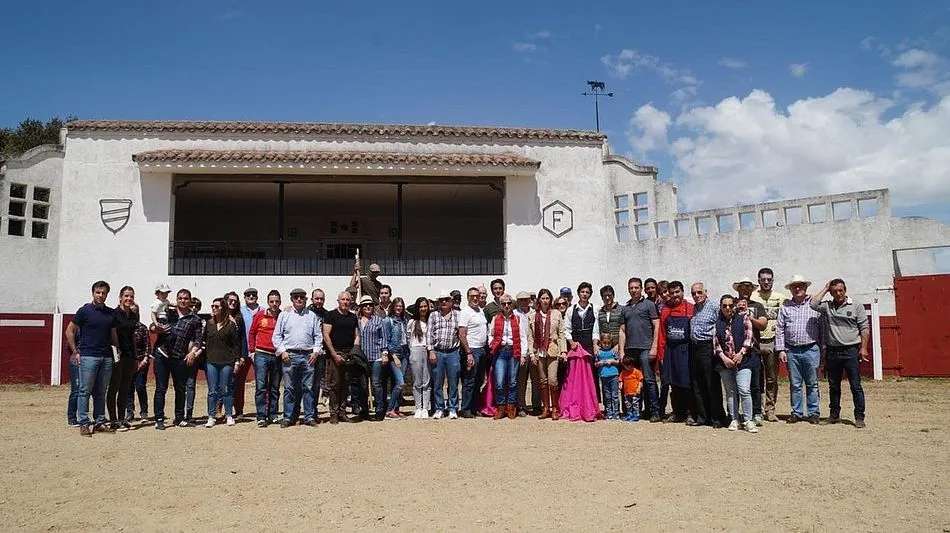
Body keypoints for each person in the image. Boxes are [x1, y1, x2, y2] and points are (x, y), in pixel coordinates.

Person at [810, 279, 869, 428]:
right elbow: (813, 304)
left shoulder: (856, 306)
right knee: (834, 385)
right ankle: (834, 415)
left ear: (845, 290)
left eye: (841, 290)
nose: (838, 294)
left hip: (850, 351)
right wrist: (825, 288)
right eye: (835, 291)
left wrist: (863, 348)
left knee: (855, 386)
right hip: (832, 351)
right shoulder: (827, 306)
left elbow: (864, 328)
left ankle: (859, 417)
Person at [66, 280, 117, 436]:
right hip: (88, 356)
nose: (101, 295)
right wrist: (75, 351)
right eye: (98, 292)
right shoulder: (84, 311)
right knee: (84, 391)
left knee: (101, 391)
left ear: (107, 295)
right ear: (93, 293)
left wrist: (118, 350)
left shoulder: (110, 313)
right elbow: (69, 331)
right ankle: (83, 422)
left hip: (106, 356)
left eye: (103, 293)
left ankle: (100, 422)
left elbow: (113, 334)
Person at [151, 289, 204, 430]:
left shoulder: (195, 320)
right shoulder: (168, 312)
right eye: (180, 298)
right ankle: (159, 419)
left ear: (190, 300)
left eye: (186, 298)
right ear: (177, 299)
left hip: (180, 357)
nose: (183, 301)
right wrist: (156, 329)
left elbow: (198, 340)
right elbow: (152, 326)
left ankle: (179, 418)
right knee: (161, 388)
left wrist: (193, 352)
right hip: (162, 354)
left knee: (180, 389)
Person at [776, 274, 824, 424]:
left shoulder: (814, 305)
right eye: (794, 286)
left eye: (800, 285)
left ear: (806, 287)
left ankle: (813, 412)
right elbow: (780, 329)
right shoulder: (785, 307)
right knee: (795, 384)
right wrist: (781, 349)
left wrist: (822, 348)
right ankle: (796, 412)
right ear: (790, 289)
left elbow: (822, 327)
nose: (798, 288)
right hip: (792, 350)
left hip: (811, 348)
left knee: (812, 383)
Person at [273, 288, 324, 427]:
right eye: (296, 297)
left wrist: (315, 352)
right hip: (290, 355)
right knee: (289, 388)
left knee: (308, 387)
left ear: (306, 299)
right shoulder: (284, 315)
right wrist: (282, 351)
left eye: (302, 297)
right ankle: (288, 417)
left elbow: (318, 336)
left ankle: (308, 416)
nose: (299, 299)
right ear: (292, 299)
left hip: (308, 356)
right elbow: (277, 336)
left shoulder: (312, 316)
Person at [713, 294, 759, 433]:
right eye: (724, 306)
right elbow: (715, 343)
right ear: (720, 307)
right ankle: (734, 418)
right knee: (730, 392)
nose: (727, 308)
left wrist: (741, 353)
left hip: (743, 361)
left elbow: (749, 337)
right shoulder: (717, 322)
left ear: (734, 306)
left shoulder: (743, 318)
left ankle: (748, 420)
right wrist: (724, 358)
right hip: (725, 362)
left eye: (730, 305)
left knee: (744, 390)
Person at [618, 277, 661, 422]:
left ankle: (654, 411)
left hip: (645, 348)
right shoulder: (626, 308)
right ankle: (636, 411)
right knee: (632, 381)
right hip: (630, 350)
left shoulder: (649, 305)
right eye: (631, 288)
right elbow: (622, 330)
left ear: (641, 289)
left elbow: (657, 326)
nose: (634, 290)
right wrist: (622, 351)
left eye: (636, 287)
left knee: (649, 380)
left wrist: (654, 346)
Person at [196, 297, 241, 427]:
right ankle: (211, 416)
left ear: (223, 308)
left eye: (217, 306)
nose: (214, 308)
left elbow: (235, 345)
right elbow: (203, 342)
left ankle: (228, 415)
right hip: (211, 361)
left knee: (226, 389)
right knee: (212, 390)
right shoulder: (209, 324)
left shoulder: (231, 325)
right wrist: (197, 352)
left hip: (227, 362)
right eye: (212, 306)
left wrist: (237, 361)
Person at [751, 267, 788, 422]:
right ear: (758, 281)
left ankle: (770, 409)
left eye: (769, 279)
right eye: (763, 279)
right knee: (755, 378)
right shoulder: (752, 297)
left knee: (771, 379)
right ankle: (756, 409)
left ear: (773, 280)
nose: (766, 282)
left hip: (773, 341)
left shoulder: (781, 298)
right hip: (755, 342)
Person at [656, 280, 694, 424]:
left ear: (682, 292)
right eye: (672, 293)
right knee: (673, 383)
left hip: (686, 350)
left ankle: (691, 412)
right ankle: (678, 412)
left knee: (687, 383)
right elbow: (662, 335)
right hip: (671, 350)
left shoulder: (690, 308)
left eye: (677, 292)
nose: (675, 295)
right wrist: (661, 355)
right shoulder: (666, 310)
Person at [688, 282, 725, 428]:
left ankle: (717, 417)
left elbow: (721, 325)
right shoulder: (695, 308)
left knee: (711, 383)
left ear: (705, 292)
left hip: (708, 347)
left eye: (699, 292)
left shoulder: (714, 307)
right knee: (698, 383)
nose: (696, 295)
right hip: (695, 348)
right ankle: (703, 416)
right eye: (694, 293)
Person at [734, 278, 768, 425]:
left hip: (753, 350)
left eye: (748, 288)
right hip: (735, 350)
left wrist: (749, 316)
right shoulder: (732, 305)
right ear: (738, 290)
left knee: (755, 384)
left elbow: (763, 324)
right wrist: (736, 311)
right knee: (737, 386)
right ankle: (738, 413)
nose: (745, 290)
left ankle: (757, 412)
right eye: (742, 287)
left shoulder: (757, 306)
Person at [487, 293, 527, 420]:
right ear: (500, 305)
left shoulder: (517, 318)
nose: (506, 306)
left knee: (513, 382)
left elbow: (522, 337)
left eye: (509, 303)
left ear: (512, 304)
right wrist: (491, 343)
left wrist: (523, 354)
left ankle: (511, 408)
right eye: (503, 303)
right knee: (499, 382)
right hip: (500, 352)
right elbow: (491, 334)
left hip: (513, 351)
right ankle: (500, 407)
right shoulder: (496, 318)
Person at [323, 291, 360, 424]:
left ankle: (342, 412)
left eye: (347, 300)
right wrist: (334, 354)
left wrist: (354, 352)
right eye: (343, 299)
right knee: (334, 385)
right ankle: (333, 413)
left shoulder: (353, 317)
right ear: (338, 301)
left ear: (351, 301)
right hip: (335, 353)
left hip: (348, 353)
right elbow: (326, 335)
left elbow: (357, 335)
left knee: (345, 384)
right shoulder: (331, 315)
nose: (345, 302)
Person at [530, 288, 568, 420]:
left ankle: (555, 408)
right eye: (543, 298)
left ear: (550, 300)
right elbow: (530, 336)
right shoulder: (533, 316)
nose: (545, 301)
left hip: (553, 348)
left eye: (547, 298)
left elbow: (562, 334)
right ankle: (546, 408)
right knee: (542, 381)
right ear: (539, 300)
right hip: (539, 349)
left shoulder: (556, 314)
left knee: (552, 380)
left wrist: (563, 351)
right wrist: (531, 354)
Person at [108, 286, 139, 431]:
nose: (129, 299)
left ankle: (122, 419)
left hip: (129, 355)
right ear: (120, 297)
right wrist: (116, 351)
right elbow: (111, 334)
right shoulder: (114, 314)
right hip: (116, 355)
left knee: (125, 389)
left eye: (131, 296)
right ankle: (113, 420)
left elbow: (133, 335)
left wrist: (136, 355)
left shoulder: (133, 315)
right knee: (114, 388)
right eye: (126, 296)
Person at [249, 290, 282, 427]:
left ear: (280, 302)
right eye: (271, 301)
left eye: (276, 301)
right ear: (268, 302)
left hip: (277, 355)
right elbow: (252, 333)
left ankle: (273, 414)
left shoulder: (283, 316)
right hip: (261, 354)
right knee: (261, 387)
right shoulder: (259, 315)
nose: (274, 304)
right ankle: (261, 415)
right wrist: (252, 351)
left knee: (275, 387)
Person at [427, 291, 461, 419]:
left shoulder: (458, 315)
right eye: (442, 300)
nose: (444, 302)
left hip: (453, 352)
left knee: (453, 382)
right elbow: (429, 334)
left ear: (451, 301)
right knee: (437, 382)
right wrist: (431, 351)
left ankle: (452, 408)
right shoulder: (433, 316)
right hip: (438, 352)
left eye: (447, 299)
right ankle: (439, 408)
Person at [356, 295, 391, 421]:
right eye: (365, 305)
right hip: (361, 358)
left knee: (377, 384)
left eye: (370, 305)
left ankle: (380, 410)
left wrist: (385, 353)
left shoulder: (378, 320)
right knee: (363, 385)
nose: (368, 307)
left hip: (376, 356)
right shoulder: (357, 321)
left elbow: (383, 338)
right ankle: (364, 410)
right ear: (361, 307)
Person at [458, 287, 488, 418]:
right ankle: (466, 408)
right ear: (468, 297)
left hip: (482, 349)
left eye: (477, 295)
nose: (475, 298)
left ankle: (475, 407)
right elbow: (462, 334)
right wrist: (468, 352)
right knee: (469, 380)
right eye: (472, 296)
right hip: (472, 350)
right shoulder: (465, 312)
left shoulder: (480, 311)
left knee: (479, 380)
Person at [514, 291, 540, 416]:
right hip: (521, 351)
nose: (524, 302)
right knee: (521, 380)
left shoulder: (535, 314)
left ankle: (536, 405)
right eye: (521, 300)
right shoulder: (514, 314)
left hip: (534, 350)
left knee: (536, 380)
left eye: (526, 299)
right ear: (518, 301)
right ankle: (521, 406)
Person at [225, 292, 251, 419]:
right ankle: (220, 410)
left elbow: (242, 339)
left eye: (235, 301)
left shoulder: (239, 318)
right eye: (230, 300)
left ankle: (238, 410)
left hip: (236, 356)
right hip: (221, 355)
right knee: (222, 384)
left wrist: (242, 356)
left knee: (237, 384)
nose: (233, 302)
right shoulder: (218, 315)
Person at [384, 297, 409, 419]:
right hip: (395, 354)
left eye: (401, 306)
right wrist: (394, 356)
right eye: (397, 306)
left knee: (398, 383)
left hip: (405, 352)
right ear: (393, 307)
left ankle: (396, 409)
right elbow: (386, 340)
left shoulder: (404, 321)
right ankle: (390, 410)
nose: (399, 308)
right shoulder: (388, 321)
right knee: (400, 382)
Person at [407, 297, 432, 419]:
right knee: (417, 381)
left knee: (426, 380)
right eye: (421, 307)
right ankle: (418, 407)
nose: (423, 309)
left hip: (428, 350)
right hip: (416, 350)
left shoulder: (431, 321)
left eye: (425, 306)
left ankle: (425, 408)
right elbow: (408, 339)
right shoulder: (412, 322)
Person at [125, 314, 151, 423]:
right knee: (128, 388)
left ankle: (144, 412)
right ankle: (130, 412)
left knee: (140, 386)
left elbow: (147, 345)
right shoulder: (125, 327)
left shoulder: (142, 328)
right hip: (128, 362)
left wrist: (145, 359)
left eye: (135, 311)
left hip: (141, 362)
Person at [594, 331, 620, 420]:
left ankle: (616, 412)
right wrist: (599, 363)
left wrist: (612, 361)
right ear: (600, 342)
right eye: (604, 343)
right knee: (607, 395)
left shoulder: (613, 351)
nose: (606, 345)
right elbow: (595, 364)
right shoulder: (599, 352)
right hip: (604, 375)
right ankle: (609, 412)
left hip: (614, 375)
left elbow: (619, 361)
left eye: (608, 343)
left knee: (615, 395)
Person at [619, 355, 644, 422]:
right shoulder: (623, 372)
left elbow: (640, 380)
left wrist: (639, 388)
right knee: (628, 404)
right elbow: (621, 379)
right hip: (626, 392)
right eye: (627, 365)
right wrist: (620, 384)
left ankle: (636, 415)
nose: (629, 367)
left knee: (635, 404)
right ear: (624, 365)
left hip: (635, 392)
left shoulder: (636, 372)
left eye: (631, 365)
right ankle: (630, 414)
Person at [150, 283, 171, 357]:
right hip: (160, 319)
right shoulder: (157, 303)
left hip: (166, 318)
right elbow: (153, 313)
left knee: (161, 337)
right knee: (167, 333)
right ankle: (161, 349)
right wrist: (155, 322)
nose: (165, 295)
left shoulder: (166, 301)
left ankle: (156, 351)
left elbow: (170, 304)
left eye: (166, 293)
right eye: (162, 293)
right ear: (157, 294)